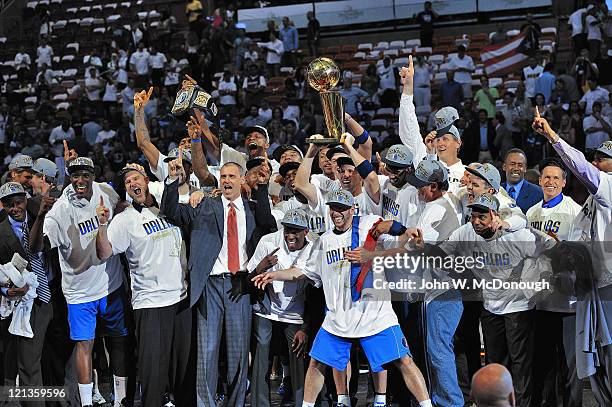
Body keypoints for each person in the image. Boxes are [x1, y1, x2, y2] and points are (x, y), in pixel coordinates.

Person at [252, 189, 434, 407]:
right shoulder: (323, 241)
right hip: (338, 317)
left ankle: (426, 405)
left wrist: (405, 232)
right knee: (316, 364)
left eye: (340, 207)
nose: (335, 212)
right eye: (332, 207)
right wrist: (274, 275)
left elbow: (399, 241)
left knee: (404, 361)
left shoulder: (368, 225)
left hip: (374, 315)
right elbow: (303, 272)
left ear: (351, 209)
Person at [95, 163, 193, 407]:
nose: (132, 184)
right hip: (150, 303)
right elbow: (104, 252)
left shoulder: (167, 209)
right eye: (128, 182)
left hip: (181, 299)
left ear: (147, 180)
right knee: (153, 372)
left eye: (136, 179)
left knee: (183, 370)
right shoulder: (125, 219)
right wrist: (102, 225)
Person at [533, 109, 612, 406]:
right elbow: (580, 240)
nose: (595, 163)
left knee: (607, 357)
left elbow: (581, 168)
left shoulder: (610, 186)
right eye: (595, 158)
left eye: (602, 159)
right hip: (594, 286)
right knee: (597, 363)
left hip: (608, 287)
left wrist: (552, 136)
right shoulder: (593, 200)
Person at [161, 158, 255, 406]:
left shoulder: (252, 209)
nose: (226, 181)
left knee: (237, 353)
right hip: (210, 285)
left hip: (240, 286)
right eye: (223, 177)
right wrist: (173, 180)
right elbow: (171, 213)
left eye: (232, 177)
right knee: (207, 351)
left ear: (242, 180)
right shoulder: (205, 204)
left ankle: (237, 403)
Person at [43, 157, 133, 407]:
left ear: (93, 175)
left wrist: (123, 212)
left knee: (118, 341)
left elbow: (123, 206)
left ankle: (121, 399)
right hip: (79, 292)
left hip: (111, 283)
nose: (79, 181)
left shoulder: (106, 191)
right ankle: (85, 402)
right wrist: (42, 215)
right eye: (74, 176)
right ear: (69, 178)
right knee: (85, 345)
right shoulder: (60, 209)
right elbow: (41, 243)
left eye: (84, 175)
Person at [526, 158, 582, 407]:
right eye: (546, 177)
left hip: (568, 303)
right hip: (541, 302)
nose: (550, 182)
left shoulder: (574, 211)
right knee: (544, 366)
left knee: (571, 367)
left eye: (555, 178)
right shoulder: (532, 213)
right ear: (539, 181)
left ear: (564, 182)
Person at [248, 209, 314, 407]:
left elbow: (312, 288)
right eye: (287, 230)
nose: (290, 235)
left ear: (306, 232)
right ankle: (260, 404)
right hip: (267, 309)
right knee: (261, 355)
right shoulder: (268, 241)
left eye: (296, 231)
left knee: (298, 358)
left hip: (296, 312)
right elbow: (250, 277)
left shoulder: (315, 247)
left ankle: (301, 402)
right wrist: (261, 268)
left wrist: (305, 328)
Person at [502, 149, 543, 213]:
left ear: (525, 168)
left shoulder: (538, 193)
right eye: (512, 164)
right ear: (504, 167)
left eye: (520, 165)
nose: (516, 168)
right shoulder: (496, 190)